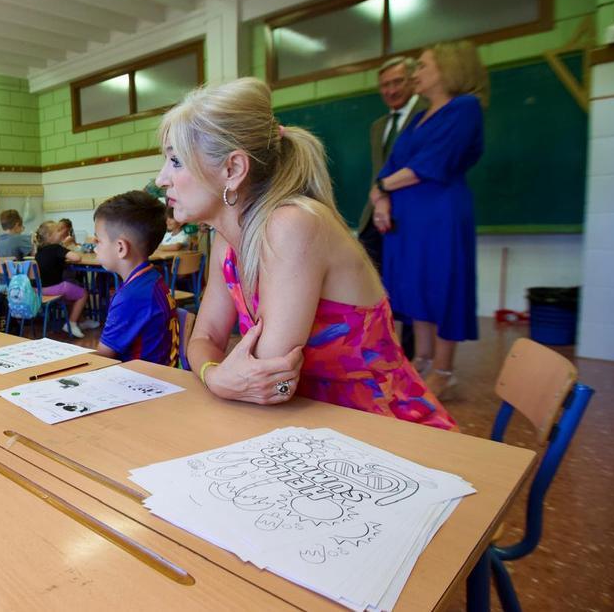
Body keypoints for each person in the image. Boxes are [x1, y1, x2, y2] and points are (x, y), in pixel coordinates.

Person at [158, 77, 455, 430]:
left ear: (233, 169)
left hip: (387, 432)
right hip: (310, 429)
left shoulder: (292, 223)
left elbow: (271, 380)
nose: (162, 178)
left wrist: (220, 376)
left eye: (176, 162)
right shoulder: (227, 236)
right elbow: (204, 338)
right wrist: (215, 375)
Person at [371, 41, 487, 400]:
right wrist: (380, 199)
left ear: (448, 68)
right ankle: (421, 359)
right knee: (414, 286)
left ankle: (444, 370)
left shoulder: (464, 108)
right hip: (405, 217)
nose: (415, 74)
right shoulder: (419, 116)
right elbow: (390, 167)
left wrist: (381, 186)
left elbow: (430, 164)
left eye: (421, 66)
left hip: (439, 213)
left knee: (442, 285)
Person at [360, 57, 423, 360]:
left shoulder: (427, 116)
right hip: (374, 212)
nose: (390, 89)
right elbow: (378, 170)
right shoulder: (378, 126)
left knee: (409, 285)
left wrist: (387, 194)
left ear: (413, 80)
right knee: (368, 277)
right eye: (385, 84)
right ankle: (376, 346)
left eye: (397, 82)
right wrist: (378, 200)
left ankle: (408, 355)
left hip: (411, 214)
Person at [93, 191, 178, 365]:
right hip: (164, 374)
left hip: (144, 382)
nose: (95, 248)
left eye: (98, 241)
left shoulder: (131, 297)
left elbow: (102, 358)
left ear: (120, 248)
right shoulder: (152, 278)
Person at [33, 221, 94, 339]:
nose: (61, 233)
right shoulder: (56, 248)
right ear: (50, 236)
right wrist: (64, 249)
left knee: (74, 287)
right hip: (54, 288)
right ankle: (71, 323)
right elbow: (76, 257)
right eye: (58, 231)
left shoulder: (38, 251)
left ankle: (80, 320)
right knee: (83, 293)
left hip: (39, 289)